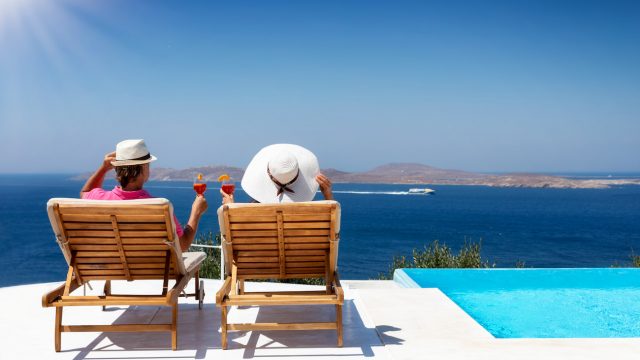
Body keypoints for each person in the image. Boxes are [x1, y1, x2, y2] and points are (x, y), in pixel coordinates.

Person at [80, 139, 208, 251]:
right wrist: (196, 212)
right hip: (152, 271)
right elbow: (183, 245)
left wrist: (103, 168)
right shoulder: (159, 206)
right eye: (148, 165)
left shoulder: (98, 198)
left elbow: (84, 193)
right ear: (142, 168)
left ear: (117, 169)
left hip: (110, 269)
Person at [220, 143, 333, 204]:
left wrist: (230, 208)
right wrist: (328, 196)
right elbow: (332, 231)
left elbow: (232, 241)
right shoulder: (310, 216)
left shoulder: (250, 216)